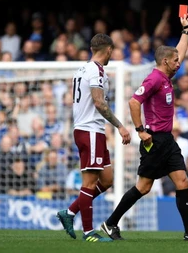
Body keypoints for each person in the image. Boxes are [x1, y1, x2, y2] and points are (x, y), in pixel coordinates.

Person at [100, 13, 188, 242]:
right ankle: (110, 223)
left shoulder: (166, 75)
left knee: (183, 181)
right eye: (175, 61)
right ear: (165, 62)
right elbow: (134, 102)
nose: (179, 63)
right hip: (154, 140)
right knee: (143, 188)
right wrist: (140, 131)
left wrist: (186, 31)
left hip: (167, 140)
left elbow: (179, 52)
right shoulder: (154, 79)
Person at [56, 33, 131, 242]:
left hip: (90, 130)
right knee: (89, 183)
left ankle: (69, 212)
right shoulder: (96, 71)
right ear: (108, 50)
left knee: (106, 180)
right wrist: (120, 126)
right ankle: (89, 233)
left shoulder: (81, 69)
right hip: (89, 130)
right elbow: (98, 102)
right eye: (111, 52)